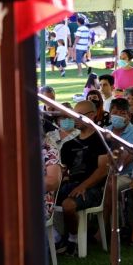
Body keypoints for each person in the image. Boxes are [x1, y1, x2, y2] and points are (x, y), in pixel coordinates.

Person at [57, 104, 110, 254]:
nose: (75, 119)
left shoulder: (102, 140)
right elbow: (62, 170)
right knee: (36, 202)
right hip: (71, 185)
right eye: (74, 115)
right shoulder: (68, 145)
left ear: (92, 115)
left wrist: (83, 186)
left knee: (68, 205)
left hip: (93, 188)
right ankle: (55, 238)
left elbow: (103, 170)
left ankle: (73, 240)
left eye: (79, 115)